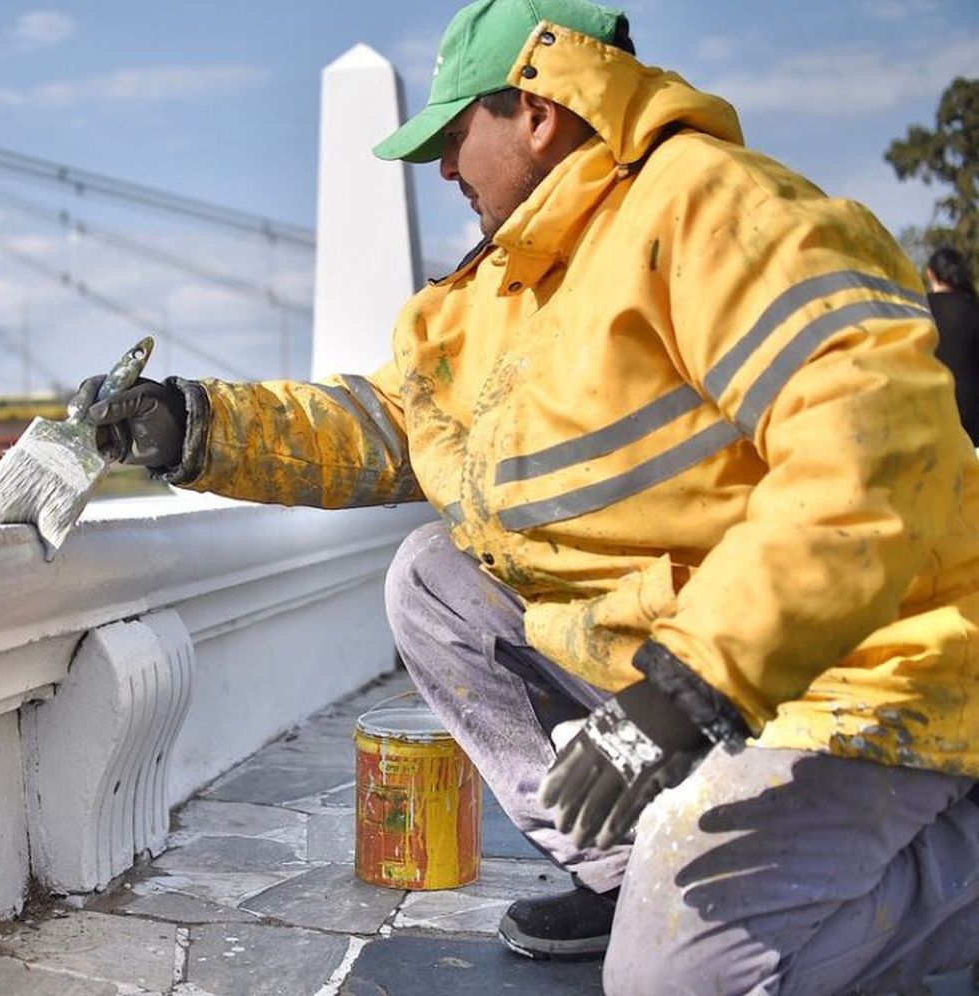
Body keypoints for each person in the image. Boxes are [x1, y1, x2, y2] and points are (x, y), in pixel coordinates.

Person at [74, 1, 979, 992]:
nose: (444, 169)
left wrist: (688, 694)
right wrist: (187, 424)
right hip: (700, 662)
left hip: (863, 675)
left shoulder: (717, 210)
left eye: (456, 136)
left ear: (538, 111)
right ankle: (631, 872)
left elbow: (870, 449)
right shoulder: (503, 289)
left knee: (673, 981)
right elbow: (384, 426)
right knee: (431, 575)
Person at [927, 246, 979, 445]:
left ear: (930, 273)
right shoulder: (973, 309)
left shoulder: (917, 309)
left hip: (929, 416)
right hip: (971, 422)